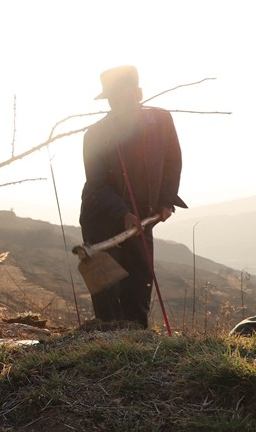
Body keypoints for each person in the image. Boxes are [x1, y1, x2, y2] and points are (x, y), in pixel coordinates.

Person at [79, 65, 185, 327]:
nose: (118, 105)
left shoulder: (161, 122)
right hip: (101, 220)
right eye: (112, 100)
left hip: (141, 219)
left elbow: (172, 162)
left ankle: (136, 343)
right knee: (106, 294)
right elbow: (96, 184)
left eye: (123, 97)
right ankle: (105, 344)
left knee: (139, 284)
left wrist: (165, 201)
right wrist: (122, 214)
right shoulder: (96, 134)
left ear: (138, 93)